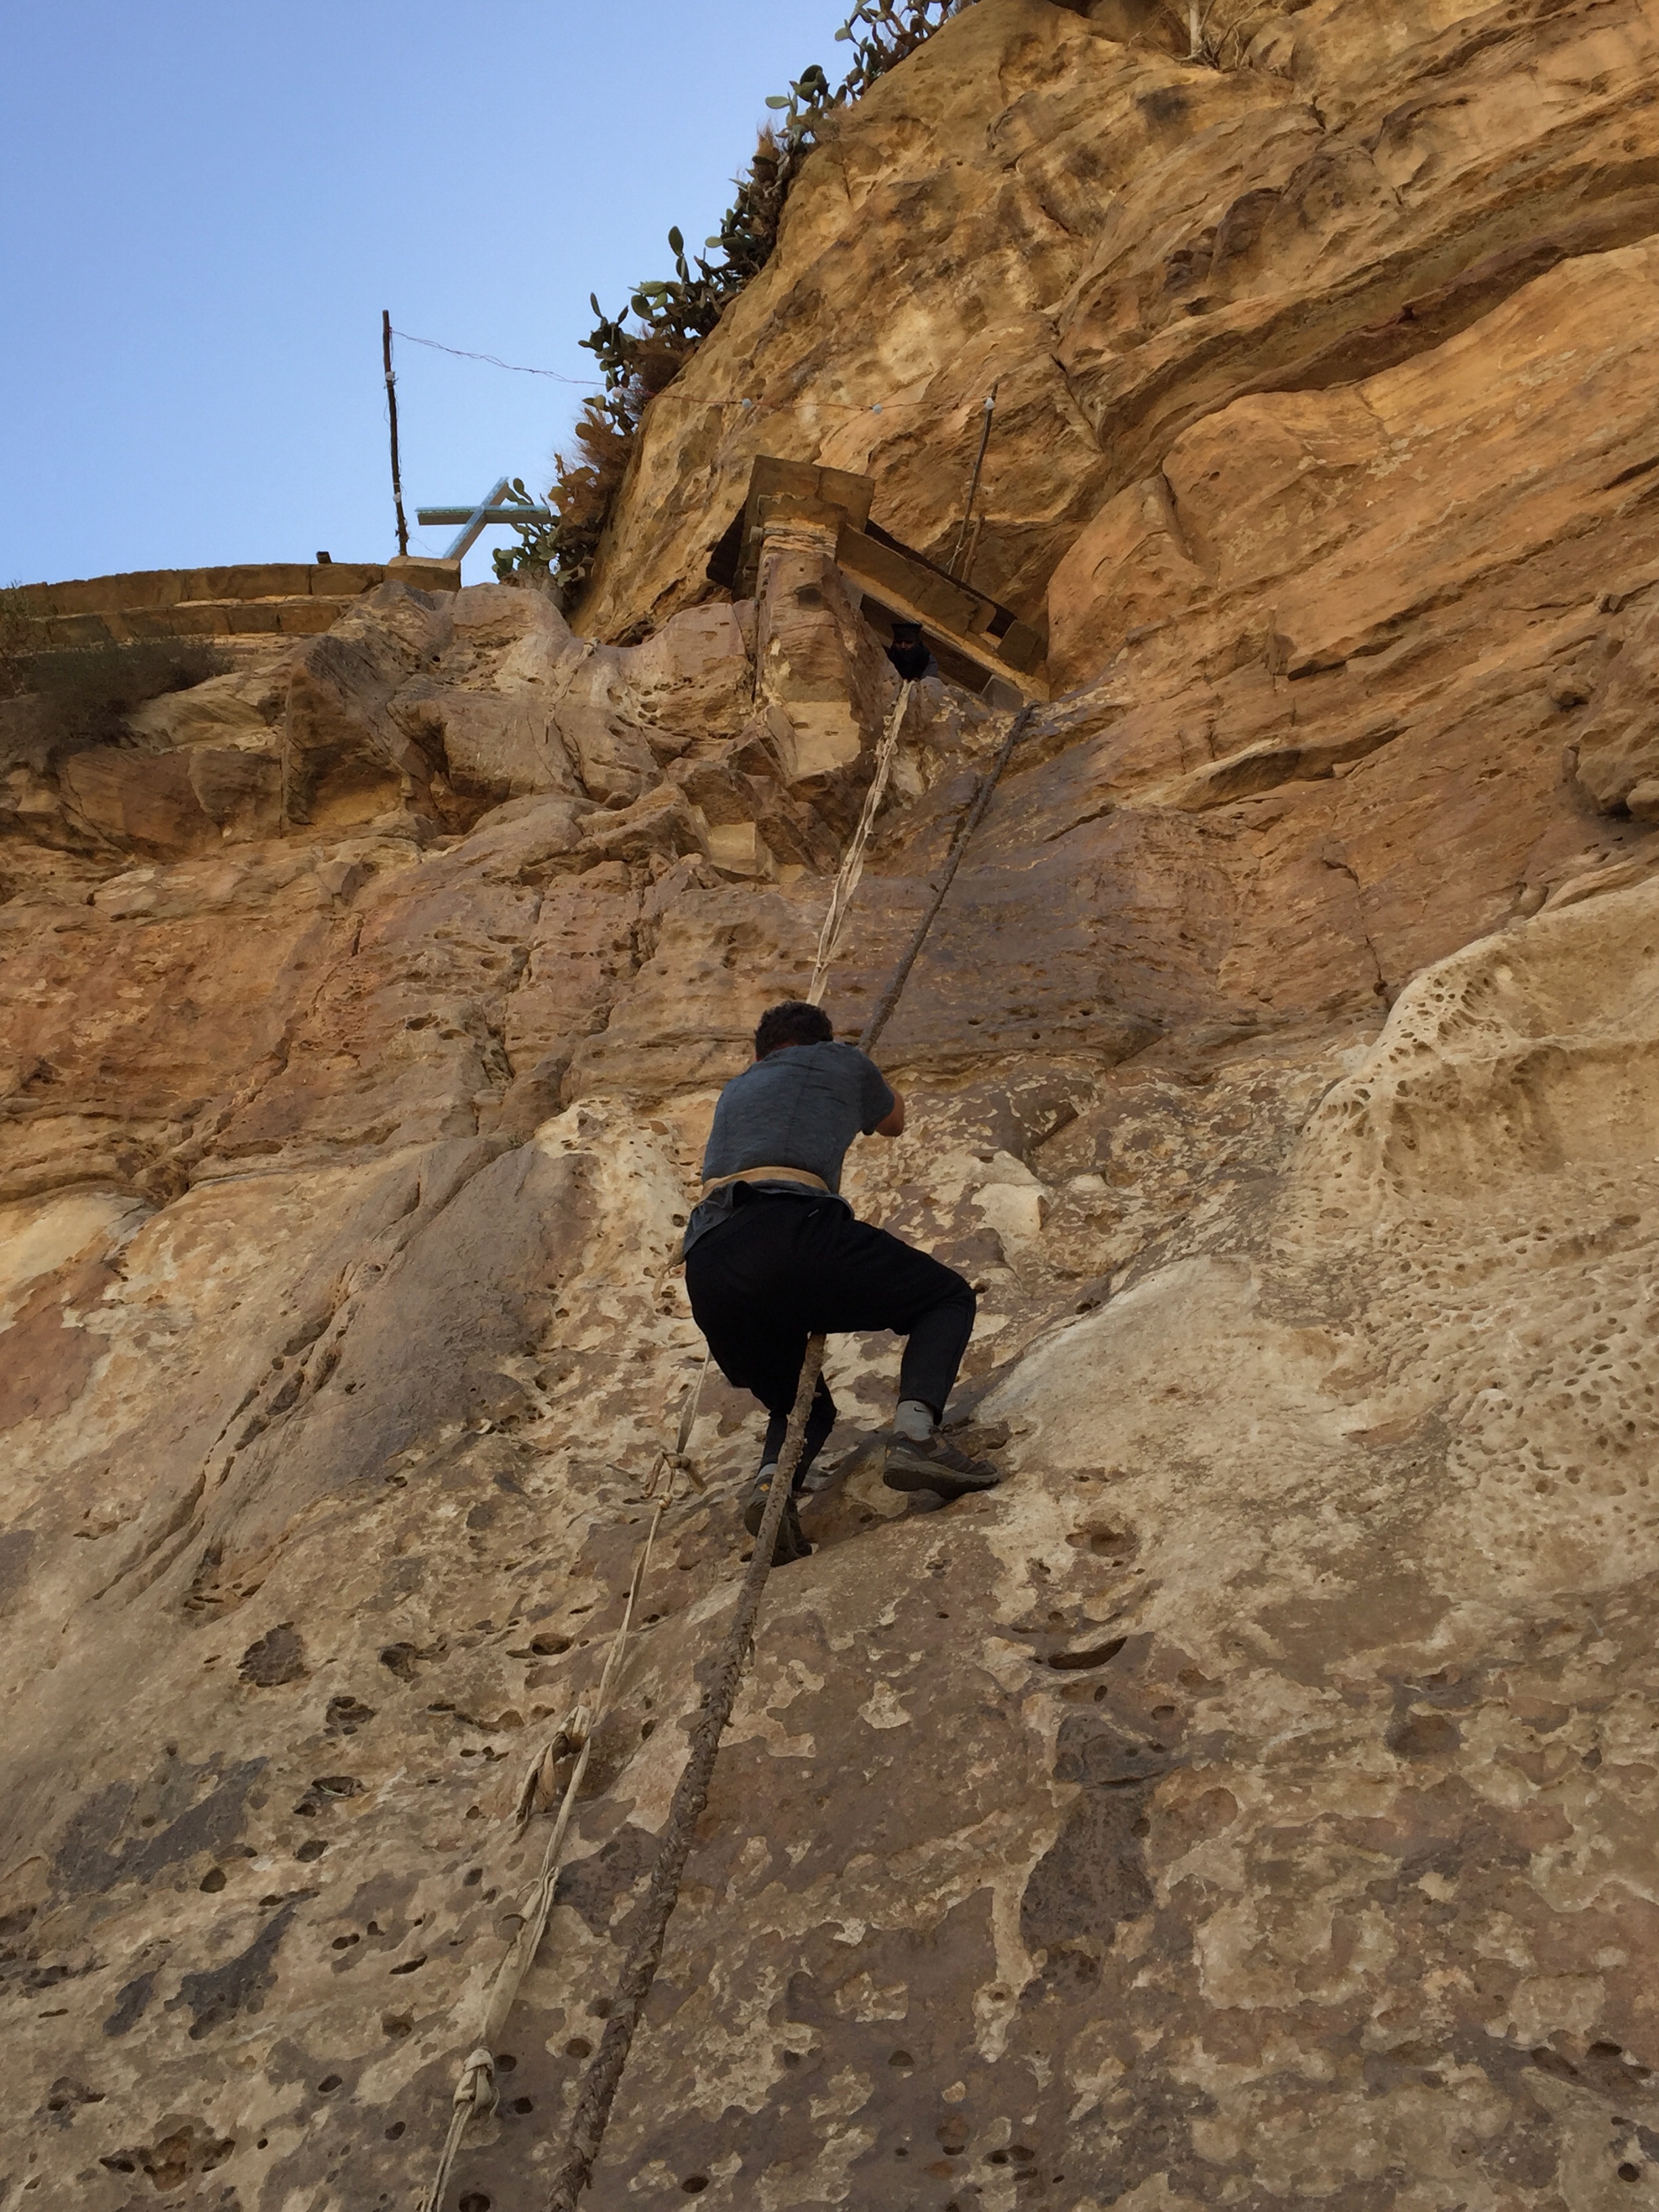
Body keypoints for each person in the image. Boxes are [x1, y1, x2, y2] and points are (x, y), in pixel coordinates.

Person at [683, 1000, 1000, 1562]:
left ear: (760, 1055)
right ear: (819, 1041)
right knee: (946, 1298)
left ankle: (772, 1488)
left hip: (709, 1264)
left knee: (801, 1406)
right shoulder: (840, 1060)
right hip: (789, 1230)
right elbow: (894, 1122)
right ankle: (916, 1437)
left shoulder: (736, 1090)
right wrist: (863, 1074)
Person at [884, 619, 939, 683]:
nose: (903, 646)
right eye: (899, 642)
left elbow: (927, 686)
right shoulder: (888, 658)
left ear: (916, 643)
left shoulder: (929, 662)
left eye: (908, 642)